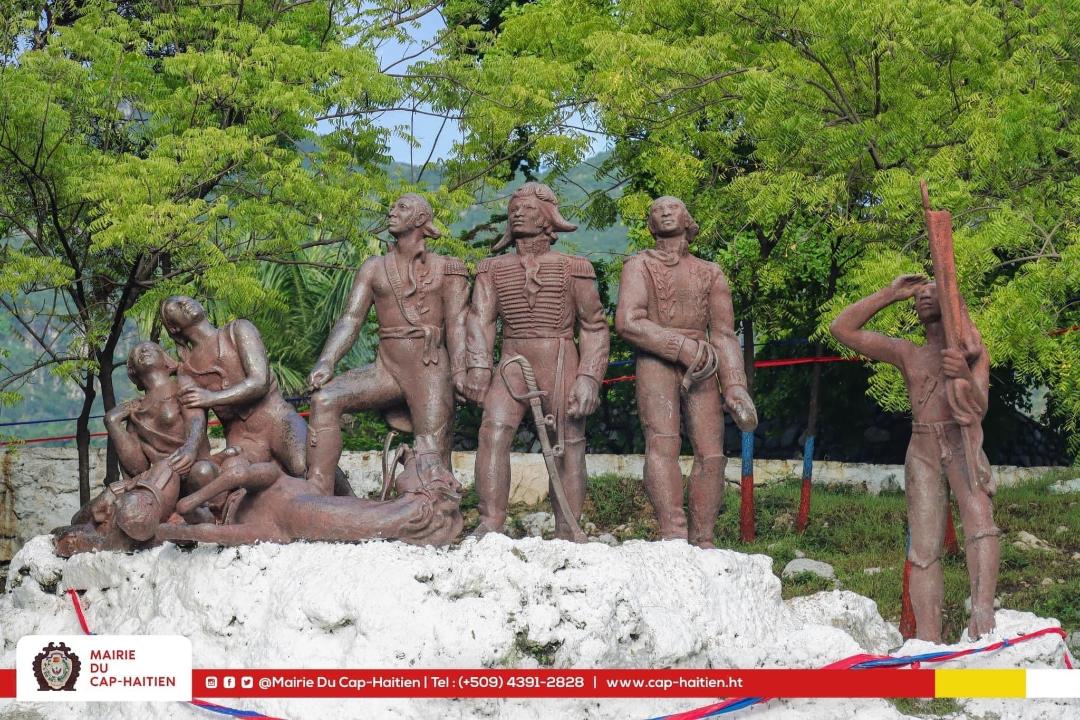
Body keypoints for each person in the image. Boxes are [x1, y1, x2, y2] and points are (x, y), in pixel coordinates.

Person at [830, 274, 998, 641]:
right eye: (918, 294)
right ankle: (927, 639)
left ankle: (984, 616)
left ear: (952, 302)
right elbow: (841, 328)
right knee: (923, 548)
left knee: (980, 523)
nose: (923, 296)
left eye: (932, 291)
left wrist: (963, 377)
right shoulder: (909, 353)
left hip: (960, 442)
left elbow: (979, 407)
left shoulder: (971, 352)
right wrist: (889, 293)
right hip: (921, 447)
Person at [460, 182, 609, 540]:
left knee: (568, 441)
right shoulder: (491, 270)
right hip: (511, 362)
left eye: (527, 207)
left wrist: (589, 377)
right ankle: (491, 522)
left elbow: (594, 325)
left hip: (560, 360)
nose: (517, 212)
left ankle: (567, 529)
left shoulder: (575, 268)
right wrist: (479, 367)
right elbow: (480, 319)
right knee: (493, 432)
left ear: (548, 218)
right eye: (514, 207)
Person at [615, 196, 757, 548]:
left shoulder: (710, 272)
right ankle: (673, 532)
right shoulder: (638, 266)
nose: (664, 211)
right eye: (656, 210)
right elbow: (629, 322)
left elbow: (723, 334)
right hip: (656, 359)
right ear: (650, 225)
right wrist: (680, 347)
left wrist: (735, 386)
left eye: (673, 207)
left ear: (687, 218)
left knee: (711, 452)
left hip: (705, 362)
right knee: (662, 443)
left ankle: (703, 537)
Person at [305, 194, 470, 493]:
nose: (391, 211)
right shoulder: (373, 268)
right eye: (392, 207)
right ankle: (317, 491)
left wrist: (460, 373)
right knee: (324, 400)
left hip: (430, 367)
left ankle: (436, 509)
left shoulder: (448, 269)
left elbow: (458, 324)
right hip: (387, 367)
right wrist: (326, 361)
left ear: (421, 220)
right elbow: (351, 319)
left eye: (401, 207)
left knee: (431, 450)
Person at [56, 342, 214, 556]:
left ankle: (102, 540)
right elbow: (137, 466)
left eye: (150, 349)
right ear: (132, 371)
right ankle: (89, 530)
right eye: (136, 353)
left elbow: (197, 421)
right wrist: (112, 422)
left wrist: (190, 448)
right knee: (91, 511)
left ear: (167, 361)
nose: (142, 351)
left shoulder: (182, 385)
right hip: (158, 478)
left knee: (186, 476)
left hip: (192, 469)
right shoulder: (136, 411)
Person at [160, 295, 312, 482]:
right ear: (174, 327)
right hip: (242, 438)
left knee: (304, 467)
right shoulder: (187, 371)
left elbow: (260, 382)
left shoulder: (238, 329)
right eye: (175, 306)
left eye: (186, 300)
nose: (184, 303)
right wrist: (190, 447)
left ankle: (350, 502)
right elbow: (195, 417)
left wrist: (211, 398)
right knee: (237, 479)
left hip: (276, 418)